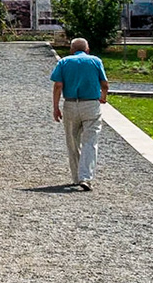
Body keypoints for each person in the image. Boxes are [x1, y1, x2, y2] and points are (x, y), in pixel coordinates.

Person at [50, 37, 109, 190]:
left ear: (71, 50)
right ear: (87, 49)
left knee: (72, 141)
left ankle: (76, 176)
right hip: (91, 104)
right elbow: (104, 84)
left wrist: (56, 107)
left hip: (70, 103)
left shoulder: (64, 62)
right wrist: (103, 96)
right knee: (90, 141)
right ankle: (86, 177)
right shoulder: (96, 61)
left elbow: (58, 85)